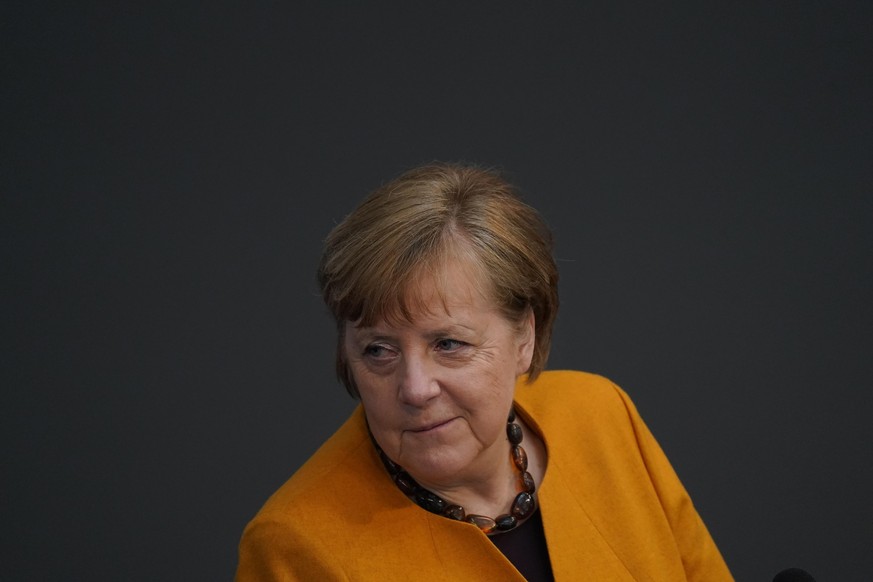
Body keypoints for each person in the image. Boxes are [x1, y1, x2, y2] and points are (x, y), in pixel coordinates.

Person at [235, 163, 733, 581]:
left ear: (525, 338)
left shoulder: (601, 415)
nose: (414, 388)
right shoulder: (293, 547)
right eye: (379, 351)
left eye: (449, 344)